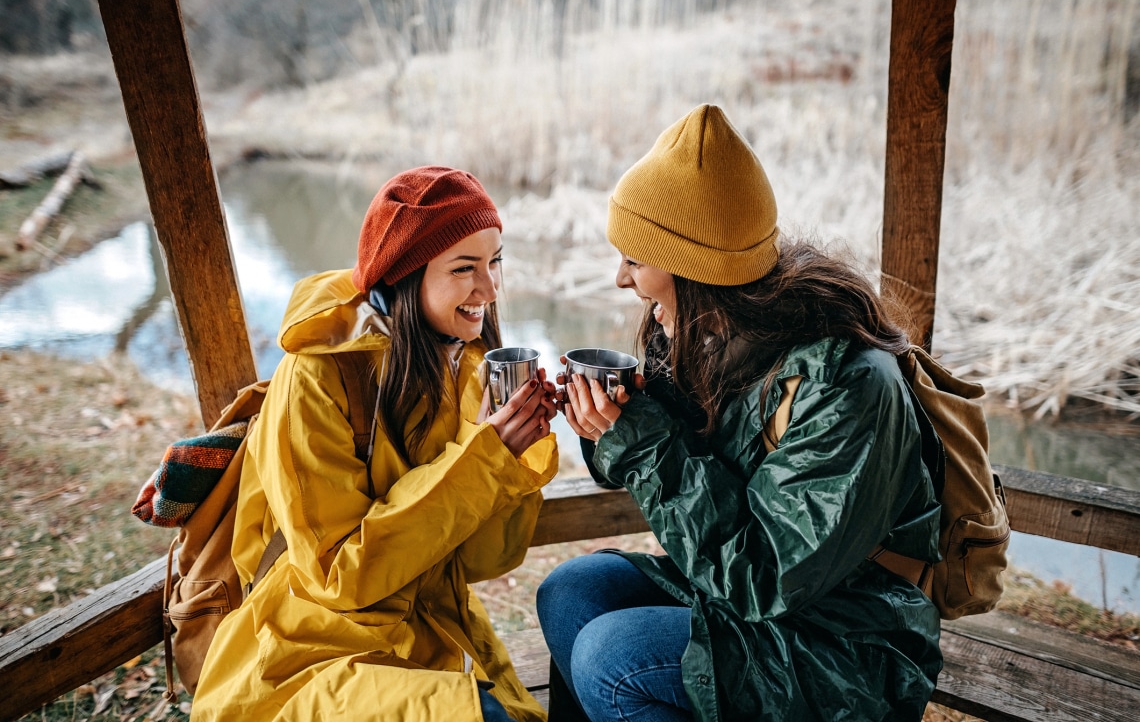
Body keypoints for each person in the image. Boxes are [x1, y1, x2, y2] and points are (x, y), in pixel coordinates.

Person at [542, 105, 942, 721]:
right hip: (745, 599)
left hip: (848, 639)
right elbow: (659, 462)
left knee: (611, 656)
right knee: (570, 591)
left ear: (695, 269)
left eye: (634, 258)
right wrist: (609, 426)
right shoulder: (708, 335)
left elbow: (764, 574)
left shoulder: (849, 386)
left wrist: (643, 444)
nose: (621, 278)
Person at [192, 166, 559, 722]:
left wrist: (513, 454)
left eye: (495, 261)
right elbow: (336, 576)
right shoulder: (315, 379)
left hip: (429, 626)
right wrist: (481, 460)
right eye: (465, 268)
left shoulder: (466, 364)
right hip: (309, 646)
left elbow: (485, 559)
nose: (490, 289)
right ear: (406, 279)